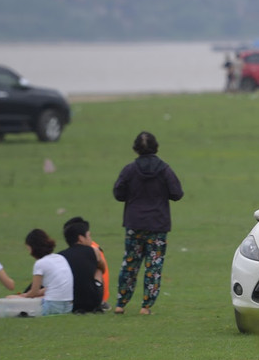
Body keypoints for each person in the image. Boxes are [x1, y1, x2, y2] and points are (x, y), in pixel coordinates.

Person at [113, 131, 184, 315]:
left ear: (136, 148)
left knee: (130, 264)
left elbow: (118, 193)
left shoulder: (129, 170)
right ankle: (146, 306)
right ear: (156, 147)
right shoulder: (164, 169)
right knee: (153, 266)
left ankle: (121, 303)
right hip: (157, 225)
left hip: (134, 223)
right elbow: (177, 193)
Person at [20, 228, 74, 315]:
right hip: (68, 306)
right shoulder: (60, 258)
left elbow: (34, 292)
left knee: (13, 301)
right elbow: (54, 286)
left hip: (51, 306)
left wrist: (23, 296)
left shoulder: (40, 263)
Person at [59, 218, 106, 314]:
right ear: (81, 238)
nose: (90, 239)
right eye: (89, 236)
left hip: (71, 302)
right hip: (93, 301)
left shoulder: (61, 256)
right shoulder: (94, 250)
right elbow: (103, 268)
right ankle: (99, 303)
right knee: (98, 270)